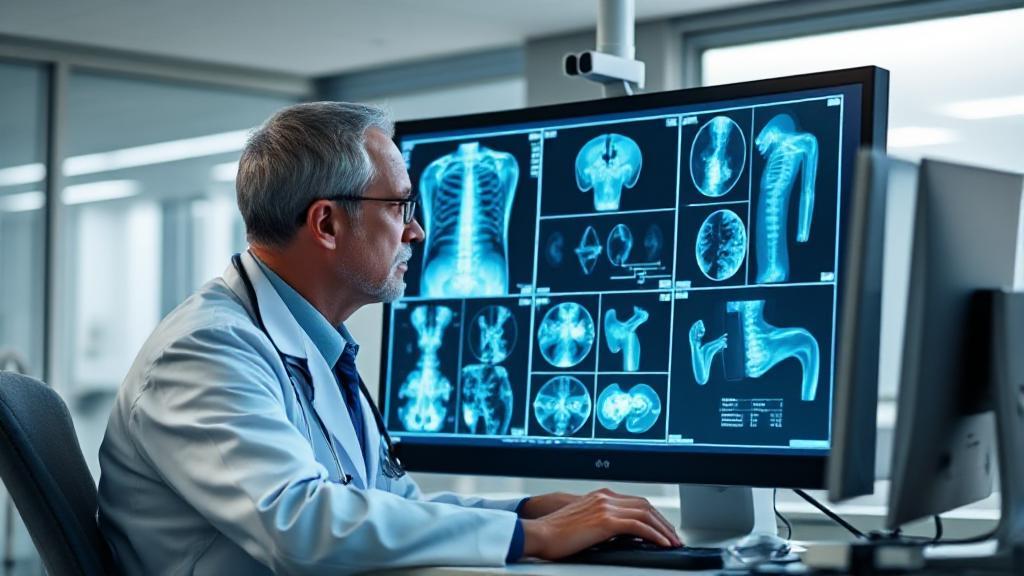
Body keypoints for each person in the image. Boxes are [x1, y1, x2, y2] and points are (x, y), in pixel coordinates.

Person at [97, 101, 680, 575]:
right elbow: (300, 526)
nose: (418, 230)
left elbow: (384, 503)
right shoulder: (206, 350)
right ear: (326, 223)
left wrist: (526, 510)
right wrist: (531, 536)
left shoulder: (314, 345)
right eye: (400, 204)